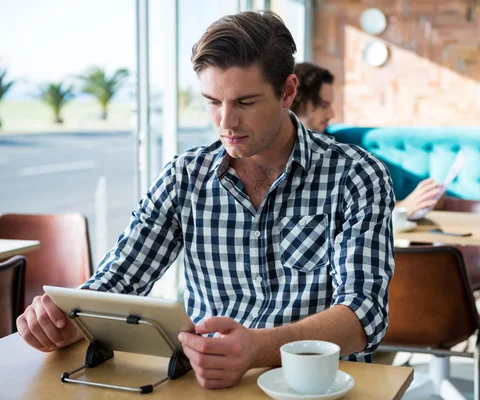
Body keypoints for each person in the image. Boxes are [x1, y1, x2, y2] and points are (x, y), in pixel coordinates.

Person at [16, 11, 395, 390]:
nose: (226, 122)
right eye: (212, 101)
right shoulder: (184, 177)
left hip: (315, 389)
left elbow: (364, 314)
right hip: (210, 386)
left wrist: (257, 348)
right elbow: (119, 280)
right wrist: (67, 318)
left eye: (245, 102)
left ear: (288, 92)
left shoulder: (355, 176)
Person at [291, 62, 441, 218]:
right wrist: (402, 211)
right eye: (324, 105)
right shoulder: (289, 155)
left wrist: (416, 203)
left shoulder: (331, 147)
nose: (331, 114)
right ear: (297, 100)